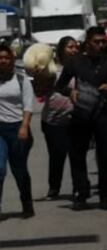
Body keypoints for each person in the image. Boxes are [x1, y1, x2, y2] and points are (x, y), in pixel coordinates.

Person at [56, 26, 107, 210]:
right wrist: (70, 91)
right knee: (77, 154)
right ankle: (81, 192)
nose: (101, 45)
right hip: (81, 114)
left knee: (106, 155)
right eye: (96, 42)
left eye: (103, 41)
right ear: (88, 43)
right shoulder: (75, 62)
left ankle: (105, 195)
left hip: (104, 114)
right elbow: (60, 85)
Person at [34, 37, 76, 199]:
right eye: (70, 47)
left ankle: (78, 188)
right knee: (57, 155)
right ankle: (54, 188)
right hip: (52, 121)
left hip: (74, 119)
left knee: (75, 155)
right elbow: (39, 92)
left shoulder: (80, 67)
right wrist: (39, 77)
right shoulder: (52, 70)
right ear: (61, 50)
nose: (74, 50)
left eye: (75, 47)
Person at [0, 43, 35, 219]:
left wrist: (24, 127)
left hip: (17, 128)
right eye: (0, 58)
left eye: (6, 58)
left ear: (12, 60)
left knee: (19, 169)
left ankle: (27, 204)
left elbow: (28, 106)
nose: (3, 61)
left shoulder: (21, 80)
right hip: (0, 130)